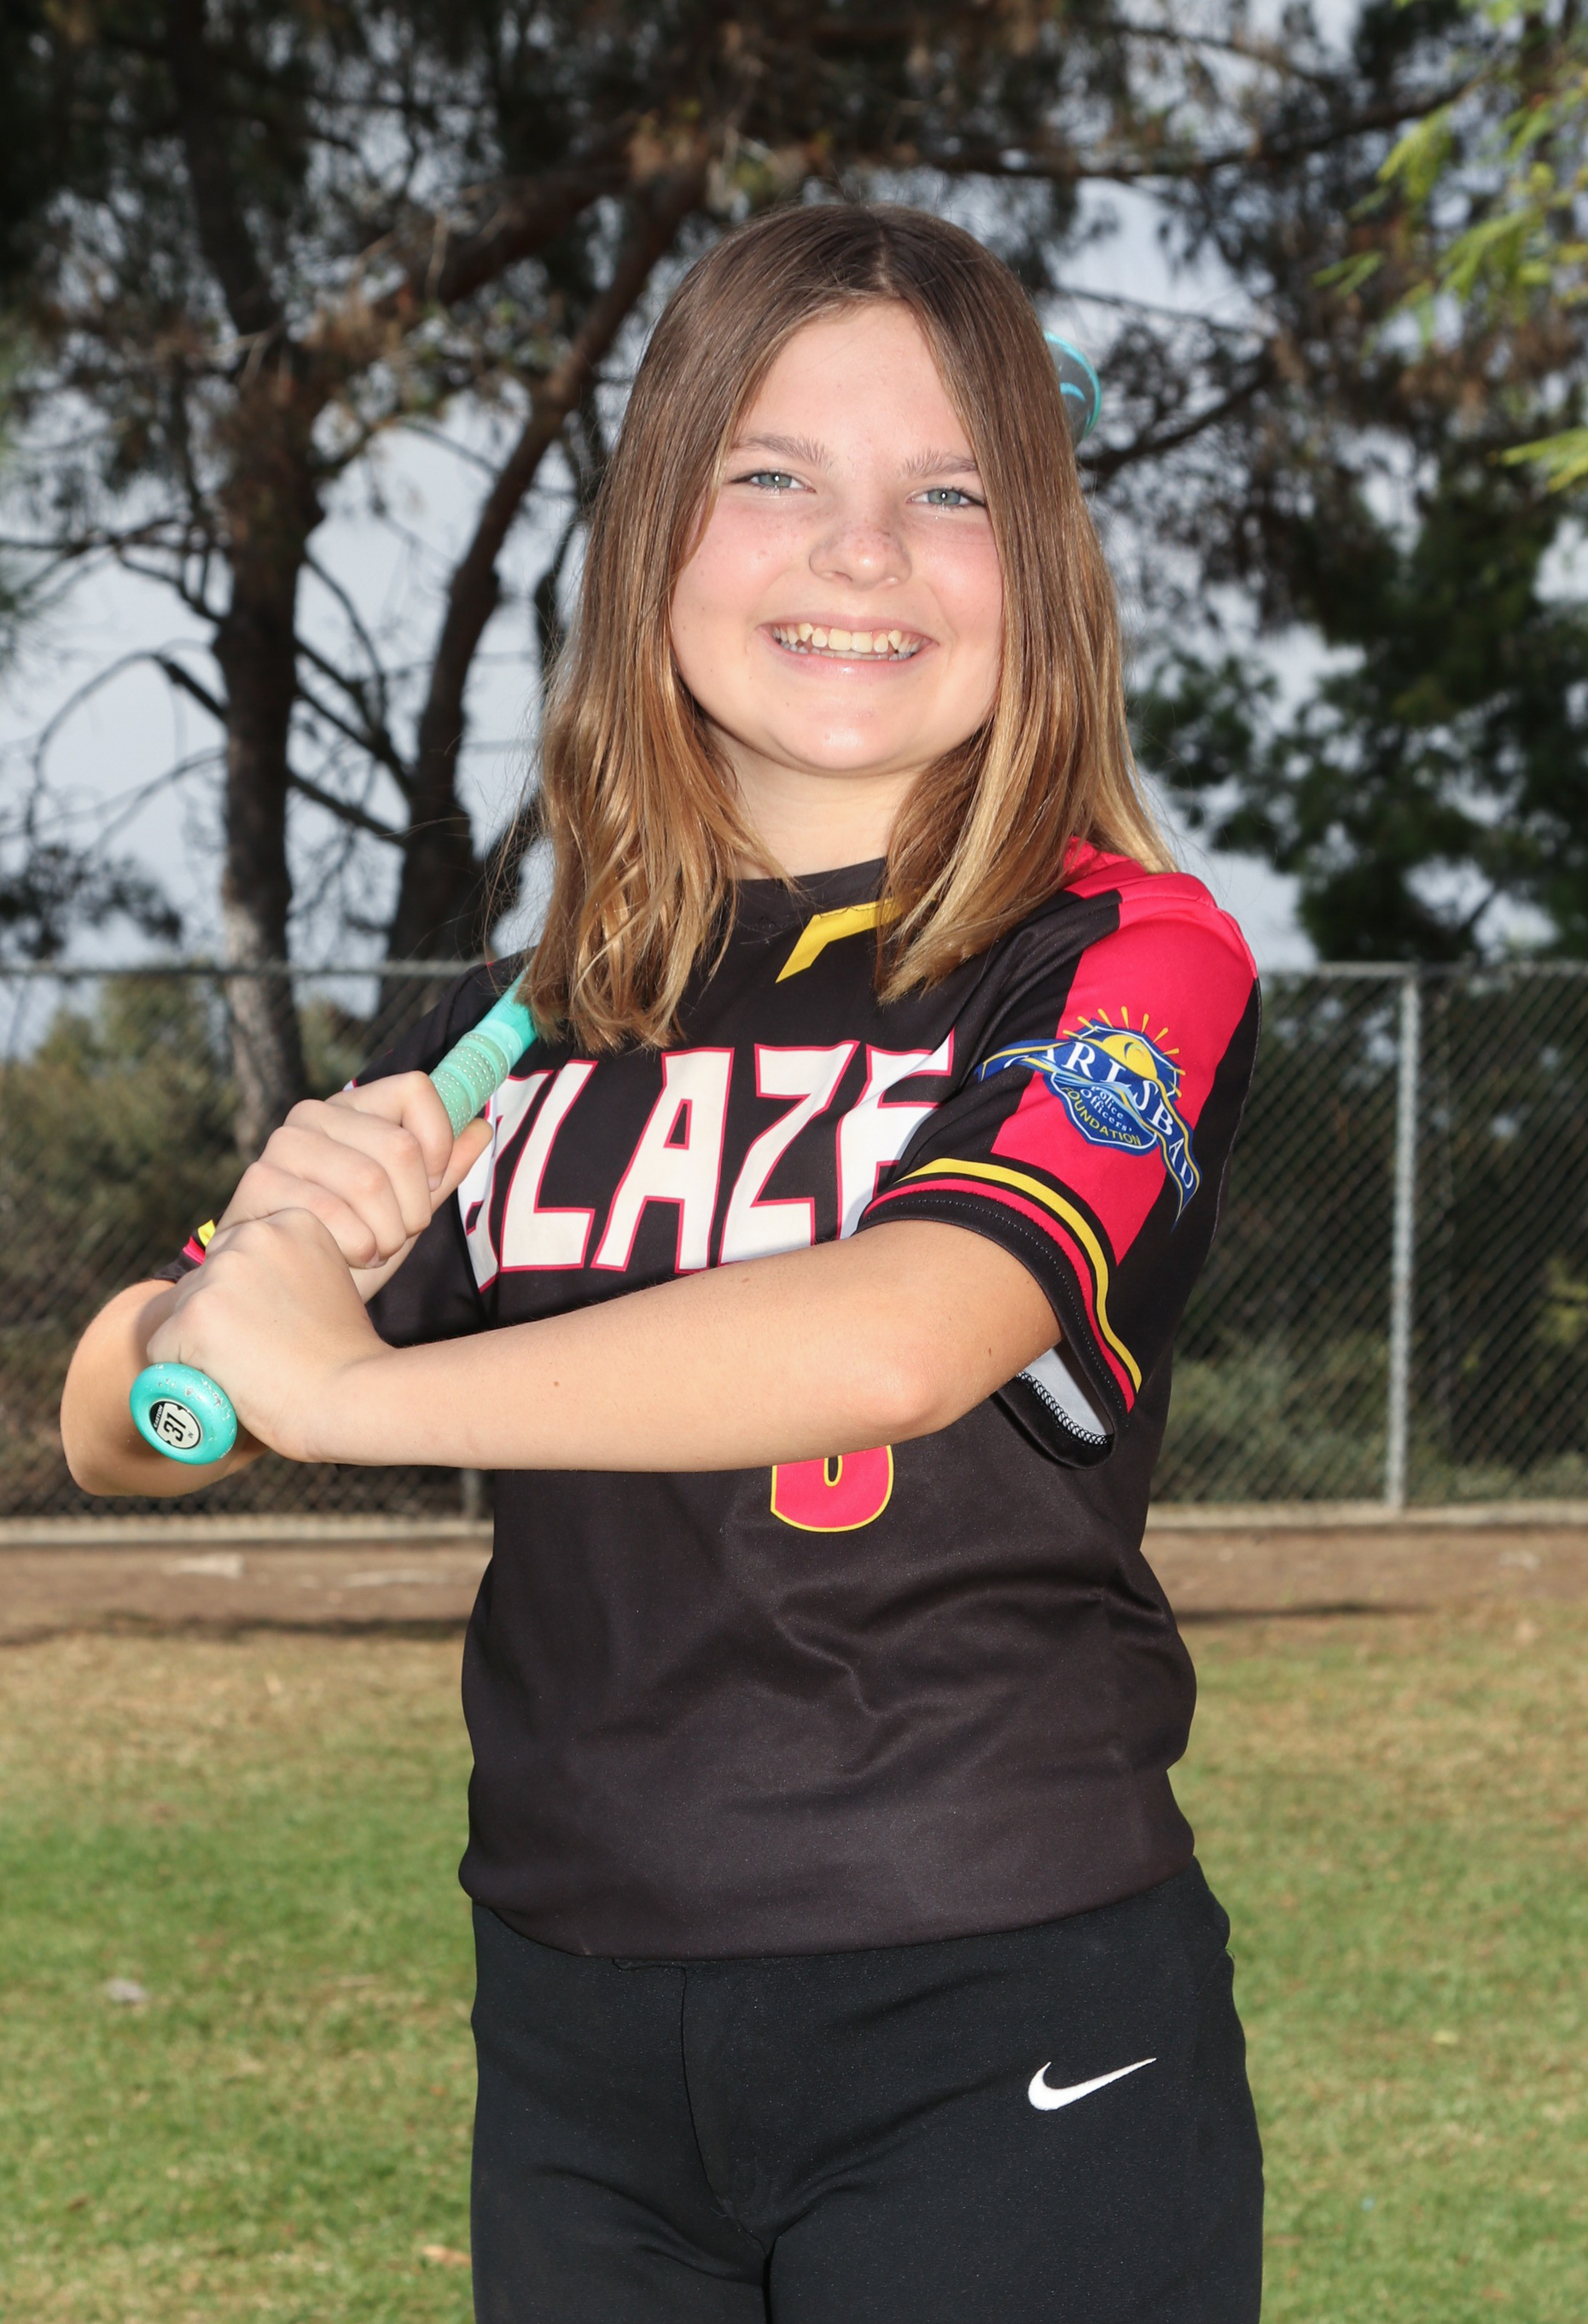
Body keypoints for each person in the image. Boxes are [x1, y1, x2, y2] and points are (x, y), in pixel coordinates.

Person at [62, 204, 1264, 2323]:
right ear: (652, 542)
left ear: (1047, 573)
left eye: (953, 493)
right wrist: (258, 1260)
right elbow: (117, 1422)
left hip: (1000, 2007)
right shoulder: (535, 1013)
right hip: (574, 2029)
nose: (861, 551)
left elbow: (910, 1326)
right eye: (773, 473)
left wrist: (346, 1388)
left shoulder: (1125, 959)